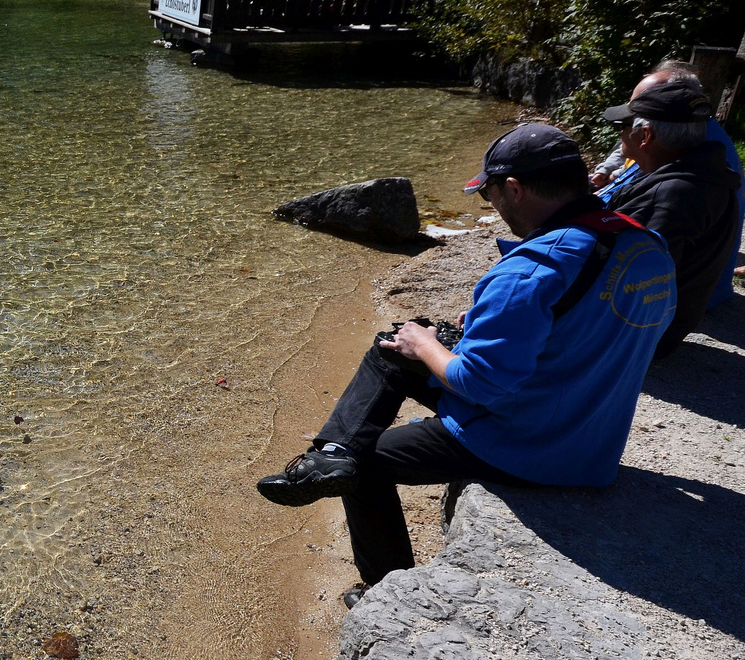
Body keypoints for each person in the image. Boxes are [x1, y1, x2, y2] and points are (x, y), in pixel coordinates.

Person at [255, 124, 675, 590]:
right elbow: (621, 329)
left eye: (490, 195)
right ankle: (334, 452)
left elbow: (478, 382)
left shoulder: (532, 269)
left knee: (370, 455)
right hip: (592, 439)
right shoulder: (647, 246)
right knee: (391, 350)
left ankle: (384, 585)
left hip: (527, 445)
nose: (493, 207)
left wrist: (427, 346)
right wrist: (488, 327)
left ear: (513, 189)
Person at [601, 80, 743, 356]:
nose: (620, 137)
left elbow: (629, 284)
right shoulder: (710, 174)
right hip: (666, 328)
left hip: (637, 340)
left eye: (622, 128)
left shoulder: (669, 198)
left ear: (645, 136)